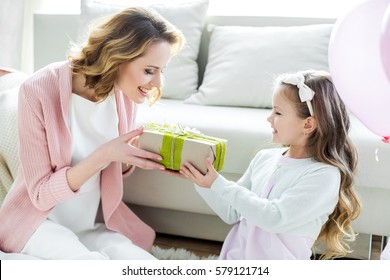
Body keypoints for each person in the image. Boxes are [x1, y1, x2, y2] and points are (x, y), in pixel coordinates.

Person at [0, 6, 183, 259]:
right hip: (38, 222)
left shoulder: (125, 94)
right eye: (149, 71)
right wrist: (104, 155)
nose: (157, 84)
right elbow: (40, 195)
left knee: (144, 264)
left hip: (90, 222)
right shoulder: (38, 90)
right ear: (117, 57)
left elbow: (113, 171)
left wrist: (135, 154)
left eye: (162, 71)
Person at [179, 70, 361, 260]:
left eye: (278, 112)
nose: (269, 118)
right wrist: (201, 178)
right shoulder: (264, 158)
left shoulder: (323, 176)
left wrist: (218, 183)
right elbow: (232, 212)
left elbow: (274, 218)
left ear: (308, 125)